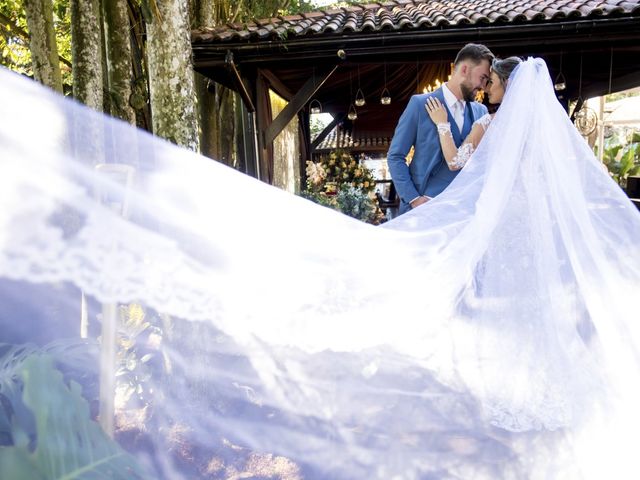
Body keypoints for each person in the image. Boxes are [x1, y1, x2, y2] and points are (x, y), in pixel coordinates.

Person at [1, 57, 640, 479]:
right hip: (490, 224)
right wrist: (424, 185)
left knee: (513, 308)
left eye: (489, 88)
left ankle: (530, 387)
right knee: (527, 308)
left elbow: (473, 171)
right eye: (480, 85)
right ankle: (541, 386)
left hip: (483, 225)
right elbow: (416, 158)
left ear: (496, 82)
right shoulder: (477, 117)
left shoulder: (488, 121)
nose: (484, 93)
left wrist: (458, 146)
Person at [386, 43, 494, 215]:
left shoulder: (481, 112)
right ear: (465, 69)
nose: (483, 86)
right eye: (482, 78)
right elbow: (395, 156)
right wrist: (415, 200)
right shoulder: (419, 105)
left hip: (464, 213)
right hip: (423, 211)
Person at [425, 57, 523, 170]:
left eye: (491, 82)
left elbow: (455, 162)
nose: (486, 89)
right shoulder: (537, 123)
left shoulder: (487, 124)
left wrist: (442, 123)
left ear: (507, 82)